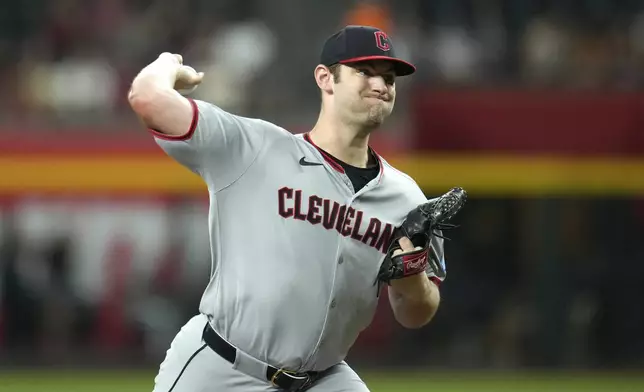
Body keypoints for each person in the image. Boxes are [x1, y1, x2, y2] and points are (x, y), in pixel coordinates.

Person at [129, 25, 445, 392]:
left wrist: (413, 278)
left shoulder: (406, 199)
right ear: (326, 78)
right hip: (223, 368)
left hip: (323, 379)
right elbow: (147, 98)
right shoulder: (255, 149)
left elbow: (415, 313)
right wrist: (167, 65)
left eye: (389, 78)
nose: (381, 85)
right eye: (365, 72)